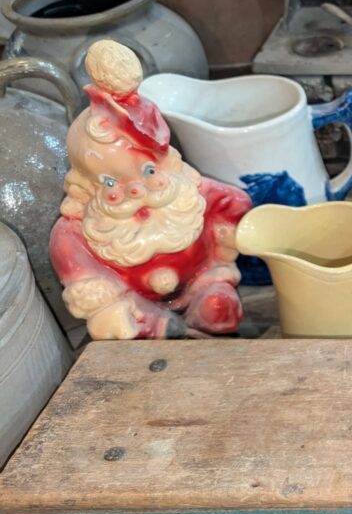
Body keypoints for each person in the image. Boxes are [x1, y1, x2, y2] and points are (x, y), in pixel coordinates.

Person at [50, 40, 251, 339]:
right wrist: (98, 296)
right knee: (124, 325)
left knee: (219, 307)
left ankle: (211, 320)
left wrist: (232, 221)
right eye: (110, 183)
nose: (135, 191)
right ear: (88, 184)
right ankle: (160, 331)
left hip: (200, 280)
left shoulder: (189, 192)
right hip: (135, 303)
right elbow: (79, 272)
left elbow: (232, 202)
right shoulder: (75, 232)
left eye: (148, 172)